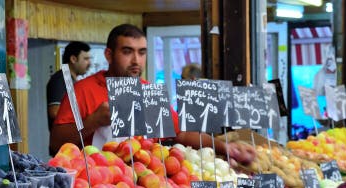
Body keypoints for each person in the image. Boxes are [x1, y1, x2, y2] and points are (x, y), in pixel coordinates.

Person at [49, 24, 255, 165]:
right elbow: (55, 145)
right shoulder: (82, 90)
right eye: (127, 51)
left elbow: (181, 134)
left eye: (142, 52)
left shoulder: (149, 92)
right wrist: (93, 121)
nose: (136, 60)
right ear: (109, 55)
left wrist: (225, 147)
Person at [46, 41, 92, 130]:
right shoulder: (60, 79)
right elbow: (55, 112)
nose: (89, 63)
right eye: (85, 59)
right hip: (64, 136)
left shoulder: (70, 79)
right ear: (73, 59)